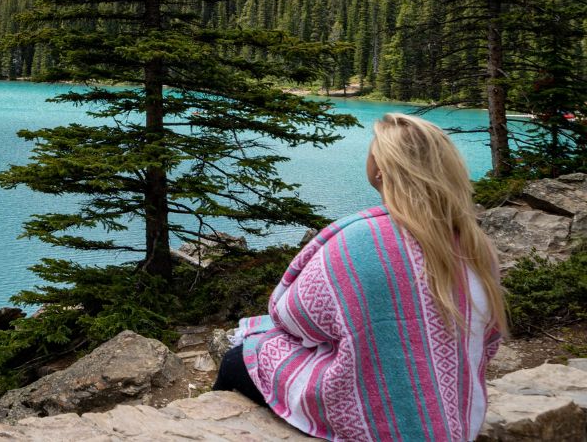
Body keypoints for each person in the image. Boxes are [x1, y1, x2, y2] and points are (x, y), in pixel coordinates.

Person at [213, 113, 506, 440]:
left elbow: (294, 318)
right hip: (453, 418)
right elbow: (489, 341)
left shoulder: (360, 240)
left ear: (380, 169)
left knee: (237, 359)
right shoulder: (475, 246)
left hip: (370, 415)